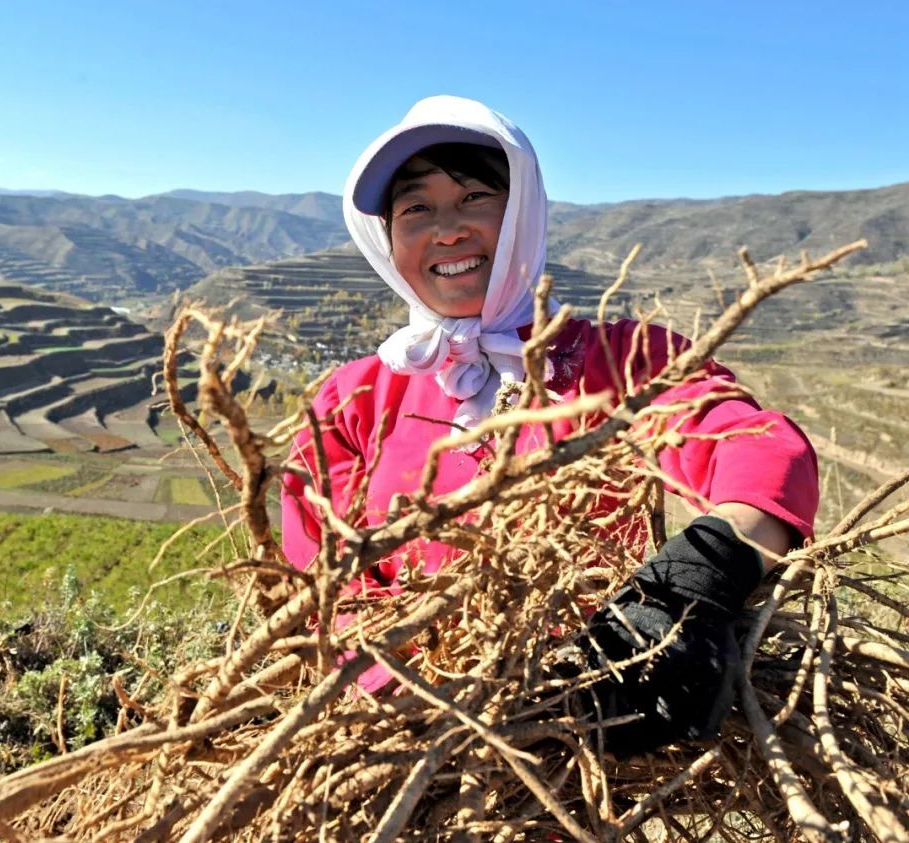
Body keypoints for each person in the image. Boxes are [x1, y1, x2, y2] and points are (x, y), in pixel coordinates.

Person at [281, 96, 819, 756]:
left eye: (475, 197)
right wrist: (422, 704)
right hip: (404, 755)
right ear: (388, 237)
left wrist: (697, 579)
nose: (446, 230)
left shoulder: (623, 361)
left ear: (521, 216)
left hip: (578, 743)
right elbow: (316, 576)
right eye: (415, 207)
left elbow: (757, 449)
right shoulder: (352, 398)